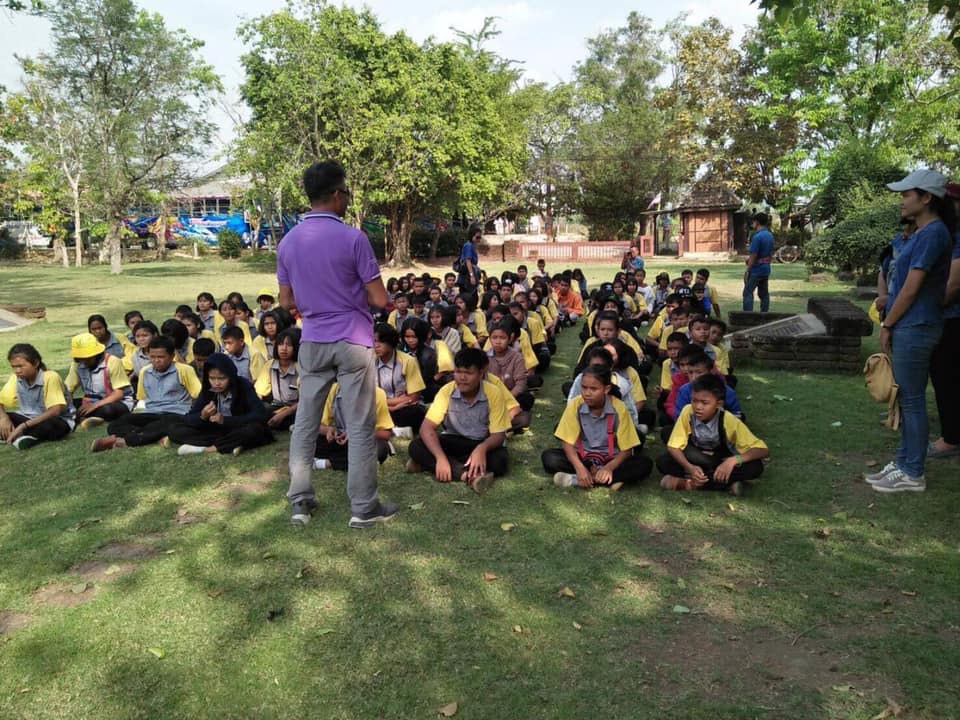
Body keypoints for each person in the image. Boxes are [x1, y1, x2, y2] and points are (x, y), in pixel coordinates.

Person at [277, 160, 396, 528]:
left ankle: (300, 502)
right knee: (360, 426)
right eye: (346, 192)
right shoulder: (353, 238)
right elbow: (378, 299)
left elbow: (285, 302)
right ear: (335, 194)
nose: (348, 199)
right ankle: (363, 508)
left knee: (305, 422)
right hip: (353, 340)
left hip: (312, 339)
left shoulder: (288, 241)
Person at [866, 169, 955, 493]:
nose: (902, 200)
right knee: (905, 399)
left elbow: (911, 289)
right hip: (910, 324)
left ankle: (913, 472)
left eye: (907, 194)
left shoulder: (934, 233)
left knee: (913, 401)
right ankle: (904, 461)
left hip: (917, 325)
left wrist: (888, 323)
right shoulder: (920, 234)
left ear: (926, 197)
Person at [406, 348, 510, 493]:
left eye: (468, 373)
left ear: (480, 374)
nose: (462, 377)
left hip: (481, 443)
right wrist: (440, 457)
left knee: (499, 461)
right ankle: (465, 474)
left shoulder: (493, 392)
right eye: (458, 372)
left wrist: (481, 449)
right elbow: (426, 428)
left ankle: (427, 465)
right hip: (453, 440)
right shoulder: (446, 391)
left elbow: (498, 435)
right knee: (416, 446)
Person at [657, 374, 768, 496]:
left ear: (719, 404)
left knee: (755, 467)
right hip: (696, 458)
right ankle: (727, 483)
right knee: (664, 462)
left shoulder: (728, 420)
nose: (698, 407)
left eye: (705, 403)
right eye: (694, 400)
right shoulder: (687, 411)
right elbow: (673, 446)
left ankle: (688, 484)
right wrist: (689, 467)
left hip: (720, 460)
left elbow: (762, 450)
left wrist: (732, 461)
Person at [543, 365, 652, 490]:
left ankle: (576, 480)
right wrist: (580, 468)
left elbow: (627, 449)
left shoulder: (619, 407)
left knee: (644, 464)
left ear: (606, 389)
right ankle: (607, 479)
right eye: (584, 388)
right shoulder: (575, 404)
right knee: (549, 458)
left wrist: (608, 468)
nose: (587, 393)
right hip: (584, 458)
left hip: (610, 459)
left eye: (593, 389)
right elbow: (567, 443)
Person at [92, 335, 202, 452]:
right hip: (152, 412)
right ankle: (155, 437)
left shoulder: (184, 370)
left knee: (168, 424)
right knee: (116, 424)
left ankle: (123, 441)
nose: (156, 360)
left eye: (161, 357)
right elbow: (142, 398)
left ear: (172, 357)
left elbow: (198, 394)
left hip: (176, 413)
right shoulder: (145, 371)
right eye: (152, 356)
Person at [165, 352, 273, 456]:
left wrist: (225, 420)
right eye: (212, 378)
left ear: (230, 376)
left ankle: (207, 449)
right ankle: (234, 444)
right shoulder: (208, 389)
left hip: (239, 427)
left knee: (255, 430)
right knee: (174, 429)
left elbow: (260, 414)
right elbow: (189, 418)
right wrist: (202, 416)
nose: (216, 383)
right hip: (216, 431)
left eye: (222, 378)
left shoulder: (242, 385)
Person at [928, 183, 960, 460]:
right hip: (947, 317)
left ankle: (950, 438)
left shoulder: (955, 236)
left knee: (946, 376)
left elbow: (952, 284)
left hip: (952, 319)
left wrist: (926, 306)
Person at [0, 344, 75, 450]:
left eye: (21, 366)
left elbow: (55, 411)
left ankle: (21, 435)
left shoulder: (50, 377)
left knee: (50, 426)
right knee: (3, 418)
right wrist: (3, 418)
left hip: (55, 420)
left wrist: (23, 426)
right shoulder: (15, 378)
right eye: (14, 367)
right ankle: (23, 436)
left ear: (35, 363)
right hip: (28, 418)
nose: (17, 371)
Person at [314, 382, 393, 471]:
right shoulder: (333, 390)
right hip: (341, 439)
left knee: (379, 450)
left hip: (364, 440)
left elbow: (386, 434)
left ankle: (324, 463)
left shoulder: (377, 393)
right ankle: (348, 461)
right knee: (310, 439)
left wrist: (358, 433)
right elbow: (318, 426)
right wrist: (329, 430)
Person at [65, 332, 134, 429]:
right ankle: (87, 418)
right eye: (81, 358)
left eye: (88, 358)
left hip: (115, 402)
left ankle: (84, 418)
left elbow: (119, 394)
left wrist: (95, 405)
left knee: (108, 410)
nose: (84, 362)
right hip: (90, 401)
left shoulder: (112, 361)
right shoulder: (77, 365)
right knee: (66, 406)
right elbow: (68, 389)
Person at [255, 327, 301, 432]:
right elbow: (258, 392)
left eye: (289, 345)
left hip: (296, 409)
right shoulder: (270, 365)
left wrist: (282, 415)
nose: (283, 348)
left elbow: (305, 401)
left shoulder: (301, 368)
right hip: (276, 406)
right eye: (280, 344)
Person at [743, 212, 774, 312]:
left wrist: (748, 270)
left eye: (753, 221)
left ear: (757, 222)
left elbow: (754, 255)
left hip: (757, 269)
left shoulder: (757, 237)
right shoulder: (770, 235)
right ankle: (764, 314)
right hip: (766, 268)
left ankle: (747, 316)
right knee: (764, 293)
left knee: (747, 292)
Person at [457, 226, 481, 299]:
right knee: (468, 298)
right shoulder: (469, 246)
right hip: (466, 277)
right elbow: (468, 261)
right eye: (477, 237)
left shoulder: (472, 246)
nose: (479, 239)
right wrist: (472, 275)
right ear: (472, 236)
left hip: (469, 274)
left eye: (480, 237)